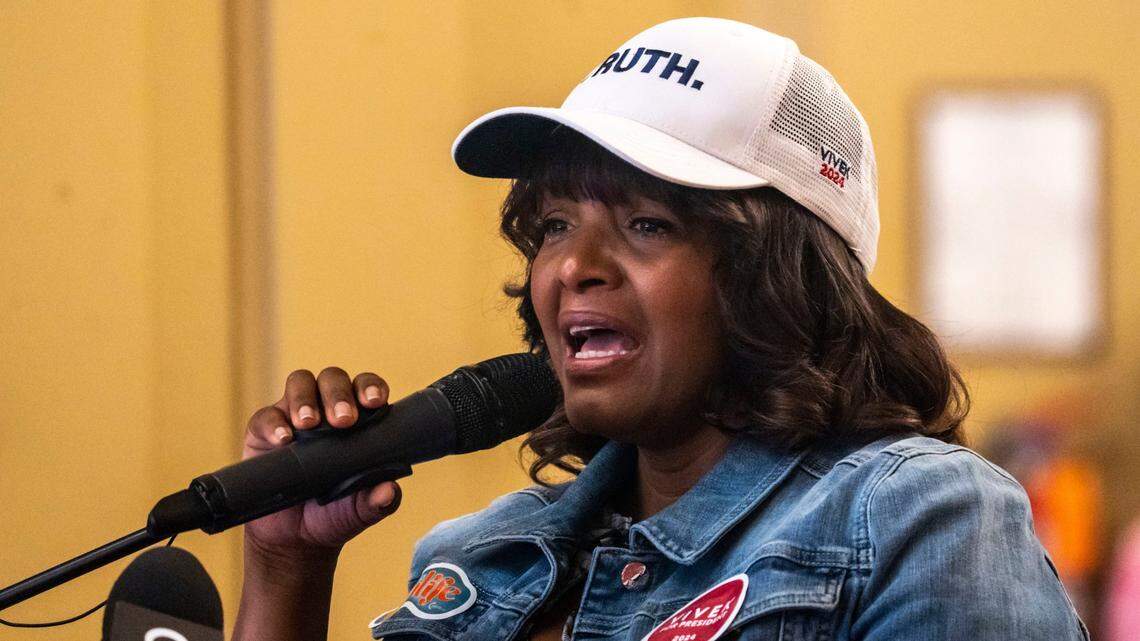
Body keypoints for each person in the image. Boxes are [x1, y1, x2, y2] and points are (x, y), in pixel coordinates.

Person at [232, 17, 1089, 641]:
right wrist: (286, 568)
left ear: (781, 277)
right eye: (555, 224)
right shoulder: (475, 558)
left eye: (647, 224)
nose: (573, 266)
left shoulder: (914, 519)